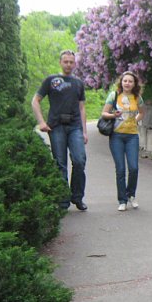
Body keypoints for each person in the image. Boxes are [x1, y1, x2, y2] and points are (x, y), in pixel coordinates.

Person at [32, 50, 88, 211]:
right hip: (56, 127)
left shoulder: (78, 83)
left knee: (79, 160)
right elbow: (35, 100)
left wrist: (84, 131)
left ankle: (77, 197)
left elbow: (82, 108)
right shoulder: (51, 80)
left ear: (75, 64)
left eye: (71, 62)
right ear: (60, 62)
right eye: (65, 61)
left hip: (75, 126)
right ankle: (63, 200)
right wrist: (41, 122)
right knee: (60, 164)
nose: (68, 64)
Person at [100, 71, 146, 211]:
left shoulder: (137, 97)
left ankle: (131, 195)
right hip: (116, 136)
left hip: (132, 136)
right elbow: (104, 113)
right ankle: (122, 200)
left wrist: (135, 121)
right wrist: (113, 115)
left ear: (134, 84)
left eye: (130, 81)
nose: (127, 83)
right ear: (121, 82)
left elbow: (142, 112)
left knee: (133, 168)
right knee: (120, 169)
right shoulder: (114, 95)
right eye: (125, 81)